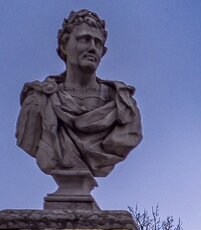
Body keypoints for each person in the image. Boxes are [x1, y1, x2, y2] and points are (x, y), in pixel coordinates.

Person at [16, 10, 143, 181]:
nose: (92, 47)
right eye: (84, 39)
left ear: (103, 52)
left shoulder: (122, 104)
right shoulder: (38, 100)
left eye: (98, 43)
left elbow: (126, 138)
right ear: (64, 47)